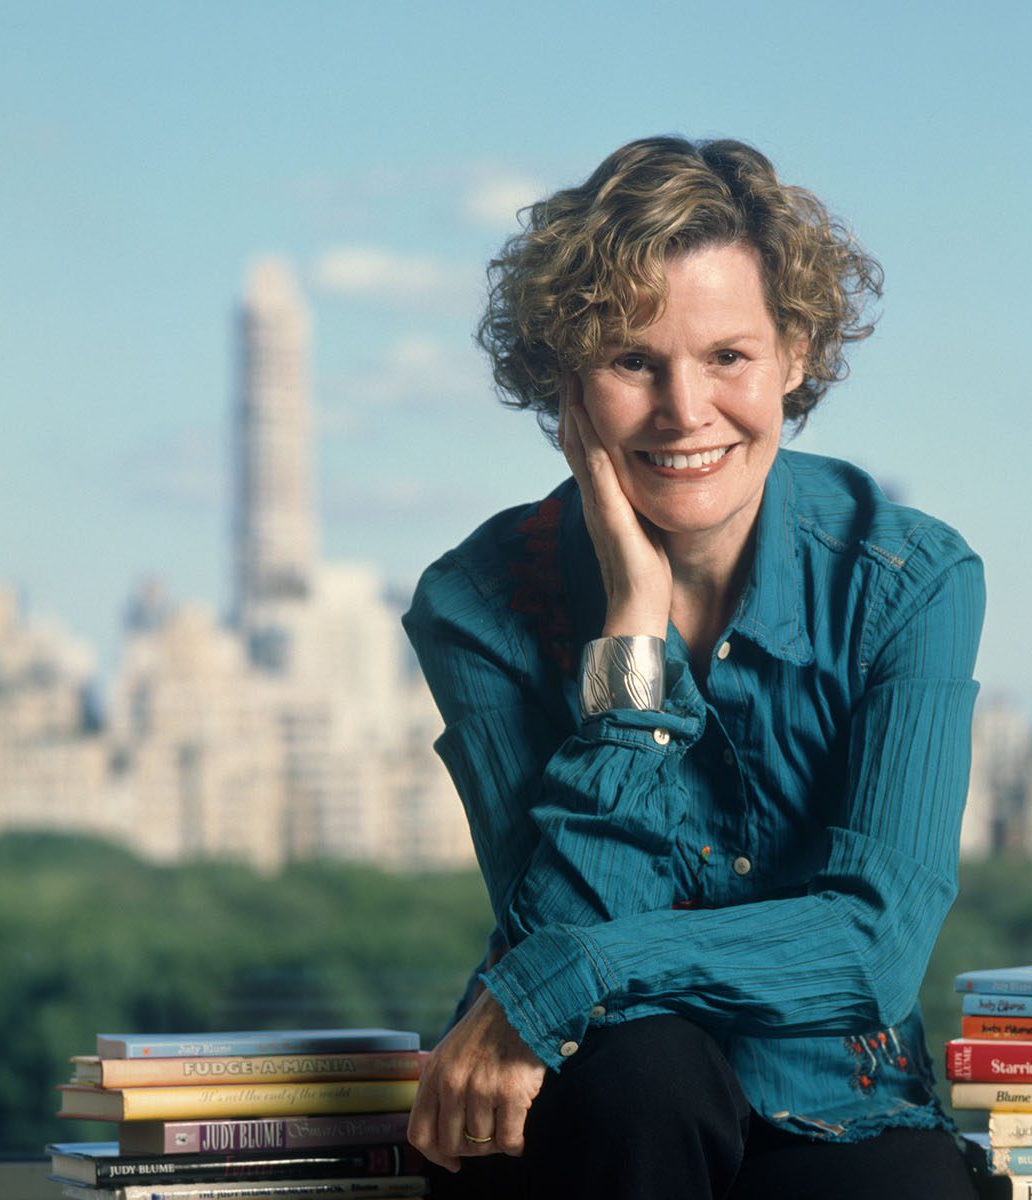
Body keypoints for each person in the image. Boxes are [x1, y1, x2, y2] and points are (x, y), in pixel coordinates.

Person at [402, 135, 985, 1199]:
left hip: (837, 1103)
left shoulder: (910, 580)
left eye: (728, 355)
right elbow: (561, 920)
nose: (684, 410)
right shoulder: (476, 604)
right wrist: (633, 629)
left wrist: (588, 972)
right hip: (595, 1108)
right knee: (645, 1077)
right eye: (633, 360)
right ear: (567, 384)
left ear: (795, 354)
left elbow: (873, 946)